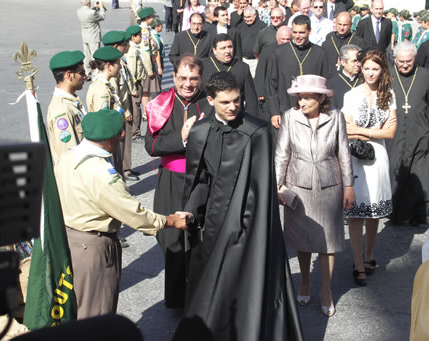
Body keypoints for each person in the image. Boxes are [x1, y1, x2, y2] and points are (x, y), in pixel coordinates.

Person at [174, 71, 303, 341]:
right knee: (211, 286)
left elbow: (260, 190)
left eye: (237, 100)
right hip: (211, 224)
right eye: (225, 102)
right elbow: (199, 180)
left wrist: (243, 227)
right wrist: (190, 210)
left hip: (247, 226)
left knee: (243, 283)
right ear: (210, 100)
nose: (233, 107)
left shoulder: (257, 132)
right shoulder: (200, 131)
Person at [54, 109, 191, 319]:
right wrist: (170, 221)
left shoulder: (68, 156)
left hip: (68, 240)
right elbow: (133, 213)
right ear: (112, 140)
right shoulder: (102, 173)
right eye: (120, 135)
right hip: (93, 247)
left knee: (76, 307)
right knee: (97, 313)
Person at [275, 74, 354, 317]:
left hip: (330, 186)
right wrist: (277, 186)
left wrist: (349, 186)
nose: (302, 102)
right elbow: (282, 154)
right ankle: (305, 281)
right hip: (298, 187)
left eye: (308, 97)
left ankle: (326, 290)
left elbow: (343, 153)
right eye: (300, 97)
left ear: (321, 98)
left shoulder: (335, 117)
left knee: (327, 243)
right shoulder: (290, 117)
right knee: (303, 240)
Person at [144, 56, 213, 309]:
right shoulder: (161, 103)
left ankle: (199, 298)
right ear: (174, 78)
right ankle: (175, 299)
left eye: (193, 79)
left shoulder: (210, 103)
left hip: (201, 180)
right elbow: (151, 146)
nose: (188, 84)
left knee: (199, 238)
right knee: (172, 239)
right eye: (182, 78)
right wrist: (181, 137)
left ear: (201, 79)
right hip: (171, 180)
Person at [343, 50, 397, 287]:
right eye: (366, 68)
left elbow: (391, 132)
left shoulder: (389, 94)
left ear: (382, 69)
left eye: (375, 68)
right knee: (356, 213)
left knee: (374, 210)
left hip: (379, 158)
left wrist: (363, 132)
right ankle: (356, 263)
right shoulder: (351, 95)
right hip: (356, 157)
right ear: (361, 69)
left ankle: (369, 255)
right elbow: (347, 129)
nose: (370, 73)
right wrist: (376, 132)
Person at [386, 41, 429, 225]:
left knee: (418, 174)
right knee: (395, 171)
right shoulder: (388, 76)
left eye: (408, 61)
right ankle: (394, 213)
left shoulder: (425, 75)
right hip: (394, 134)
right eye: (401, 61)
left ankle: (418, 214)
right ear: (394, 59)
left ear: (415, 58)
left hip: (420, 132)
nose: (404, 65)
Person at [266, 14, 328, 129]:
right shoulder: (279, 53)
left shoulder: (319, 53)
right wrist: (274, 112)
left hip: (312, 111)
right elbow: (271, 83)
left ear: (310, 31)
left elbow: (325, 83)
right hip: (285, 109)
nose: (297, 36)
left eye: (302, 33)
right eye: (294, 32)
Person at [102, 31, 140, 182]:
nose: (127, 46)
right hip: (121, 110)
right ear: (116, 46)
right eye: (125, 44)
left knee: (125, 142)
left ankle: (126, 167)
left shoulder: (120, 61)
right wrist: (126, 111)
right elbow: (115, 94)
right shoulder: (111, 66)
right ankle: (123, 170)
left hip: (125, 104)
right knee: (120, 144)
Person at [85, 46, 124, 173]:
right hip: (107, 142)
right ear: (108, 66)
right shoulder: (101, 90)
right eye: (118, 63)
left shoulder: (105, 85)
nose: (120, 66)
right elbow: (101, 122)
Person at [47, 50, 87, 164]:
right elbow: (69, 157)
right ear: (69, 75)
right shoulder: (62, 110)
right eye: (82, 72)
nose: (85, 76)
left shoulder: (71, 101)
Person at [202, 34, 258, 114]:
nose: (227, 51)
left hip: (234, 115)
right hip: (209, 116)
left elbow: (251, 99)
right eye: (223, 48)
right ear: (214, 50)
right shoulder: (204, 66)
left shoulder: (242, 67)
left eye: (230, 47)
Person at [255, 25, 291, 120]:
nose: (285, 42)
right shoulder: (268, 50)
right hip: (270, 87)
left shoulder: (293, 49)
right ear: (277, 38)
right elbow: (260, 70)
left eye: (288, 39)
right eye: (282, 39)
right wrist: (260, 92)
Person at [322, 11, 364, 78]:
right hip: (331, 79)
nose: (341, 28)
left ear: (351, 25)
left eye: (345, 25)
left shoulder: (358, 42)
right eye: (339, 24)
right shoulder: (327, 42)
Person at [125, 25, 147, 142]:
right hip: (135, 83)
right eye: (139, 36)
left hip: (136, 82)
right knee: (136, 108)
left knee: (135, 107)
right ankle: (135, 133)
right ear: (133, 37)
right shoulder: (133, 50)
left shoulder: (134, 48)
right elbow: (132, 71)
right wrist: (133, 88)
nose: (141, 38)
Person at [138, 8, 161, 113]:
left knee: (147, 91)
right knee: (146, 91)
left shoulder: (146, 29)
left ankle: (147, 111)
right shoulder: (144, 32)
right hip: (147, 65)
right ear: (146, 18)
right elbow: (145, 52)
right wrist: (149, 70)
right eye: (151, 17)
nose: (153, 19)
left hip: (149, 63)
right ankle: (146, 112)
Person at [77, 0, 106, 79]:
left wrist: (94, 8)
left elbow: (91, 15)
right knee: (94, 55)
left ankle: (87, 71)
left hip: (85, 36)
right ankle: (95, 71)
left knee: (87, 55)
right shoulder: (92, 13)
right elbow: (102, 16)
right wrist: (101, 8)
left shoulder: (79, 11)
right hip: (93, 36)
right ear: (89, 3)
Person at [327, 44, 361, 110]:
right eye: (354, 61)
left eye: (359, 60)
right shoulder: (331, 84)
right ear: (343, 62)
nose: (358, 64)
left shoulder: (364, 81)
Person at [238, 6, 266, 77]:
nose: (247, 19)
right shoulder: (240, 27)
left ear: (255, 16)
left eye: (249, 17)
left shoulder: (262, 26)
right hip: (243, 60)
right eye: (245, 17)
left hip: (255, 61)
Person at [151, 17, 166, 86]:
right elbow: (157, 53)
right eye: (161, 25)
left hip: (158, 60)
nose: (162, 27)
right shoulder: (155, 37)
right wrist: (159, 67)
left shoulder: (155, 35)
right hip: (157, 61)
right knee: (158, 81)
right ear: (157, 27)